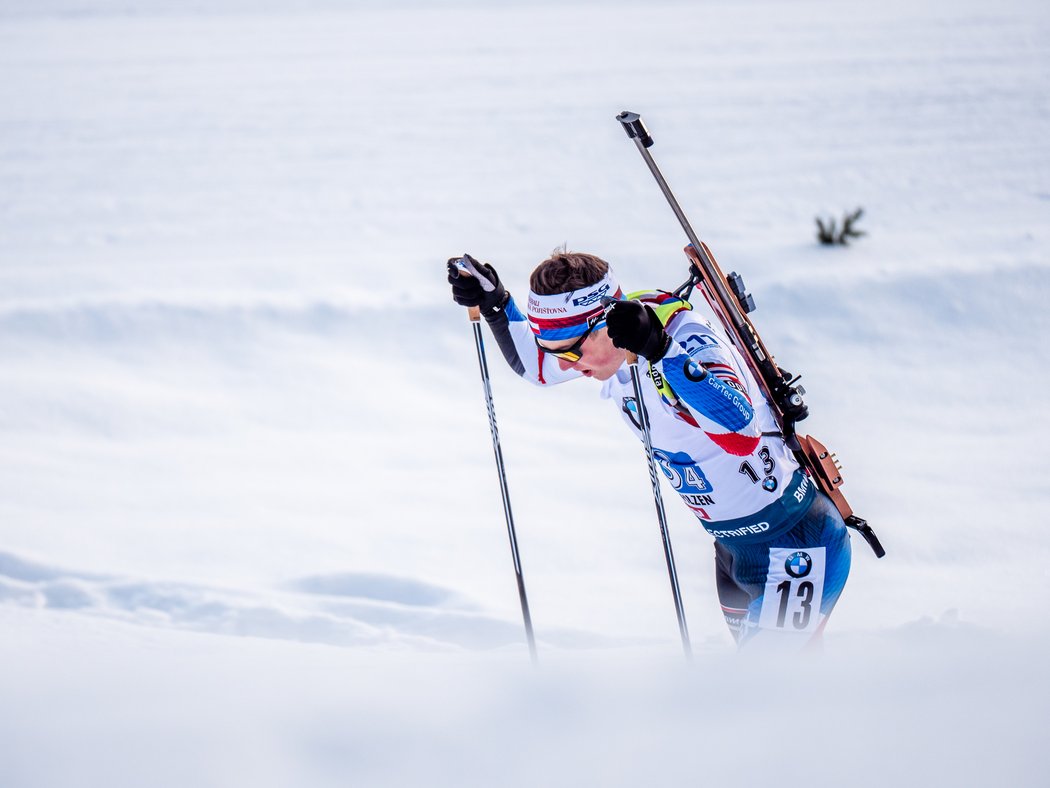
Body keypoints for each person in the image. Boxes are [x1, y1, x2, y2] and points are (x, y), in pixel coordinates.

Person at [447, 250, 851, 649]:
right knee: (773, 697)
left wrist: (663, 351)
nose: (566, 366)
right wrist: (496, 304)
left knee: (769, 695)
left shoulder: (685, 337)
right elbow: (534, 366)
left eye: (571, 351)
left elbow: (740, 434)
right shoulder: (609, 344)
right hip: (732, 551)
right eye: (556, 352)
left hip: (795, 542)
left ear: (604, 323)